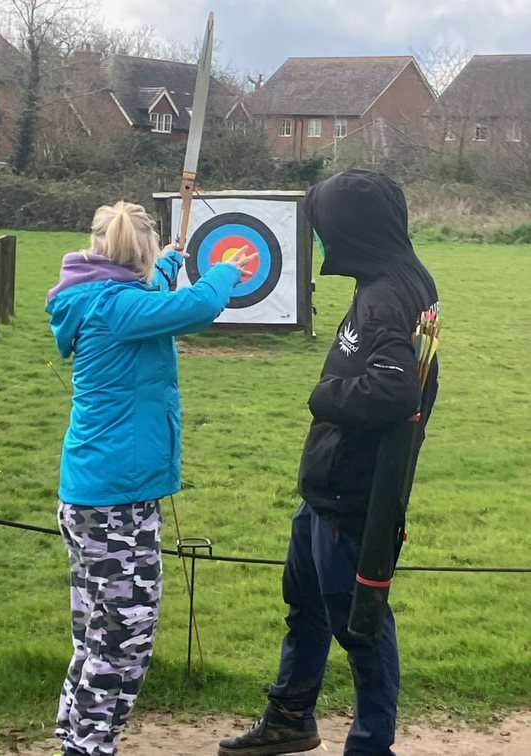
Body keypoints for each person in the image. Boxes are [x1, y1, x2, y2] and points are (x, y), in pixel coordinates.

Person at [218, 170, 439, 756]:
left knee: (360, 625)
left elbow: (395, 392)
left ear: (352, 232)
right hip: (328, 487)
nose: (319, 239)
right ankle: (291, 717)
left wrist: (322, 396)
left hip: (352, 496)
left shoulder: (386, 296)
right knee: (308, 604)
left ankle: (371, 745)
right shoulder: (391, 279)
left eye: (325, 228)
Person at [46, 201, 256, 756]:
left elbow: (145, 300)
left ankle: (77, 735)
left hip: (93, 494)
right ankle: (88, 748)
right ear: (136, 258)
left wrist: (163, 264)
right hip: (117, 502)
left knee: (97, 632)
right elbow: (196, 306)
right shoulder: (120, 307)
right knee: (123, 641)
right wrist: (226, 269)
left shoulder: (97, 297)